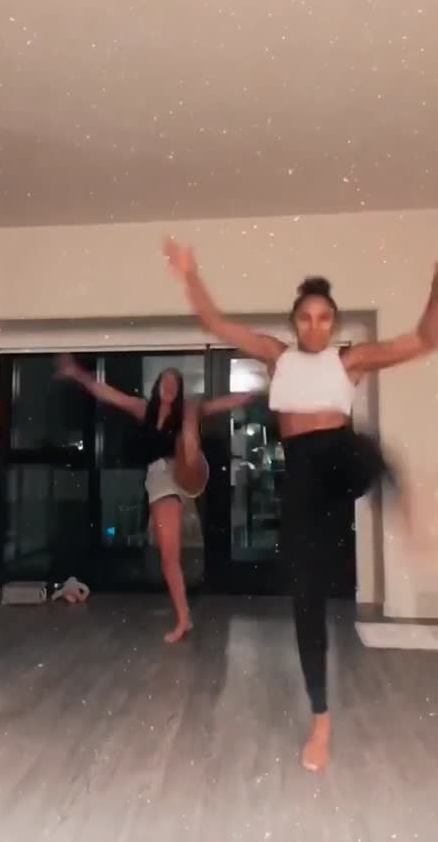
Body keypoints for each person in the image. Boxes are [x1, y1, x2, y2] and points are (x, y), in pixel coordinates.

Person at [164, 238, 438, 771]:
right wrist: (190, 273)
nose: (315, 327)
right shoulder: (276, 355)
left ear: (334, 324)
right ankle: (321, 720)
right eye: (306, 318)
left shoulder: (350, 360)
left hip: (340, 457)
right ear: (294, 323)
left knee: (365, 448)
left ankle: (410, 520)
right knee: (305, 594)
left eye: (324, 318)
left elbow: (426, 339)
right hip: (305, 481)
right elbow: (214, 322)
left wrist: (436, 284)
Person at [57, 355, 257, 643]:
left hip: (188, 466)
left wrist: (249, 396)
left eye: (175, 382)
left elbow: (220, 404)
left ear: (179, 390)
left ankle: (189, 449)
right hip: (161, 478)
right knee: (168, 556)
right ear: (158, 386)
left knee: (191, 416)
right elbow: (109, 394)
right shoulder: (144, 409)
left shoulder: (186, 410)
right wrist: (78, 374)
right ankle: (184, 618)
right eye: (166, 381)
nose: (170, 385)